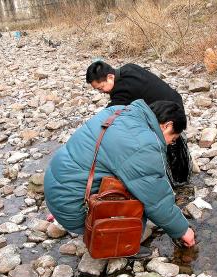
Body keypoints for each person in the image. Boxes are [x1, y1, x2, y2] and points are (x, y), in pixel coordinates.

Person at [44, 99, 196, 251]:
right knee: (140, 198)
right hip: (74, 207)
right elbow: (156, 199)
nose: (170, 143)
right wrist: (182, 230)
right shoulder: (143, 144)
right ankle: (120, 247)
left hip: (56, 190)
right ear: (167, 125)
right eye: (173, 138)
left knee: (133, 181)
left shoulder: (119, 111)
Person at [86, 61, 191, 187]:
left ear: (110, 77)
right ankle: (178, 176)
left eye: (101, 88)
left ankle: (170, 180)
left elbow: (111, 114)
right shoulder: (128, 68)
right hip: (175, 102)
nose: (101, 92)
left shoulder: (122, 90)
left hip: (168, 113)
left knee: (164, 147)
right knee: (171, 144)